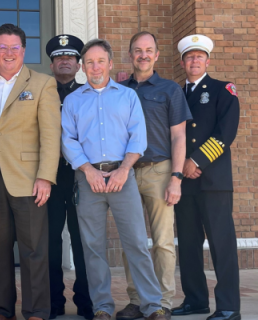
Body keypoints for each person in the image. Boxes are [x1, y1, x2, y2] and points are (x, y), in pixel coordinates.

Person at [61, 38, 167, 320]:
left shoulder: (127, 96)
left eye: (100, 61)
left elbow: (138, 137)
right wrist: (88, 171)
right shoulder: (72, 101)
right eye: (90, 62)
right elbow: (68, 140)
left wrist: (123, 170)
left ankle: (152, 305)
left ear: (110, 63)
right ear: (83, 67)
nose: (95, 67)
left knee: (135, 242)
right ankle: (102, 308)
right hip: (88, 179)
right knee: (93, 248)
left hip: (124, 176)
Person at [0, 24, 61, 320]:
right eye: (2, 47)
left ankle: (37, 311)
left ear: (24, 51)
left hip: (30, 181)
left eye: (14, 48)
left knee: (34, 251)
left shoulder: (43, 83)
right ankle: (3, 309)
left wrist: (46, 176)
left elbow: (50, 134)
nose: (8, 53)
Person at [117, 32, 192, 320]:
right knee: (131, 240)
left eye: (149, 50)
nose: (143, 55)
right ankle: (136, 300)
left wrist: (176, 177)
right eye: (138, 50)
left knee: (161, 241)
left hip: (159, 171)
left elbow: (178, 136)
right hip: (126, 173)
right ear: (130, 54)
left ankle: (162, 302)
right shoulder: (120, 90)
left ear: (157, 55)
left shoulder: (170, 89)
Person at [171, 34, 241, 320]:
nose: (194, 60)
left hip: (213, 181)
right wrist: (180, 168)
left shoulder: (223, 89)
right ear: (182, 62)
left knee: (221, 244)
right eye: (189, 57)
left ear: (207, 61)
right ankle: (196, 300)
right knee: (187, 244)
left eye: (199, 56)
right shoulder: (176, 93)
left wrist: (196, 160)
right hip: (184, 183)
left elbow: (226, 133)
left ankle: (228, 306)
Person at [44, 34, 93, 320]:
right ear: (51, 65)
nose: (64, 61)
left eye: (70, 57)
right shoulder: (41, 92)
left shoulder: (89, 94)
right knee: (50, 242)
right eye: (58, 57)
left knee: (82, 241)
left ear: (78, 65)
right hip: (49, 178)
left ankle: (86, 301)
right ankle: (53, 302)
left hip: (80, 177)